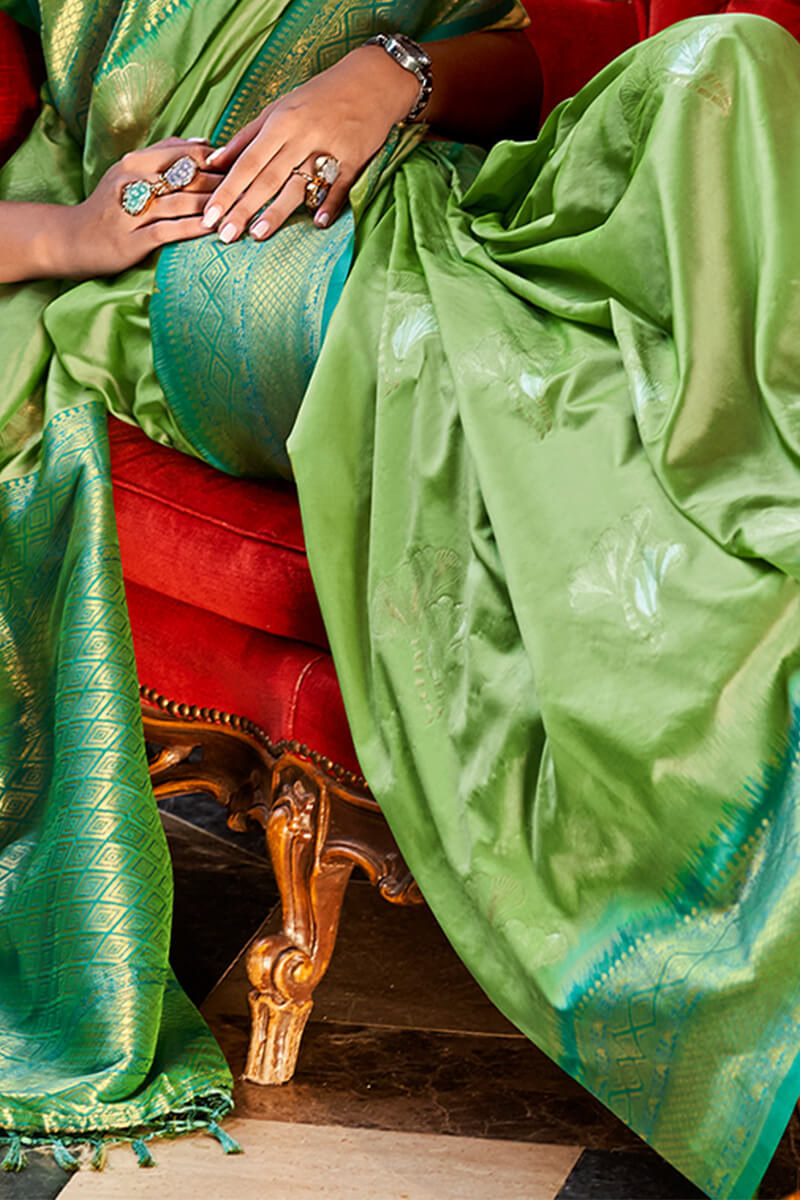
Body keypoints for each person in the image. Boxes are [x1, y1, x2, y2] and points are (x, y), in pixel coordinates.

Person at [1, 2, 799, 1198]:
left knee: (730, 67)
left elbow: (534, 59)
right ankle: (724, 948)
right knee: (496, 383)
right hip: (205, 259)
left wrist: (392, 78)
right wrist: (70, 232)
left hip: (454, 193)